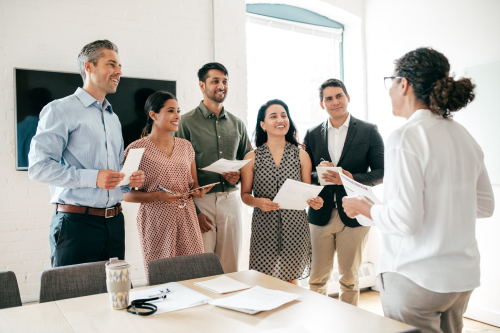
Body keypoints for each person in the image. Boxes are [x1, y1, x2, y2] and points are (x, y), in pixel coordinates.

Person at [342, 47, 495, 333]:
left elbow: (404, 220)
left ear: (404, 84)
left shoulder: (405, 137)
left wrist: (364, 207)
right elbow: (485, 206)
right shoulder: (464, 136)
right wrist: (442, 203)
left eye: (391, 81)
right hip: (461, 280)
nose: (389, 91)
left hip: (416, 279)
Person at [28, 40, 145, 268]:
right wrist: (94, 177)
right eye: (111, 64)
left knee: (114, 298)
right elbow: (38, 167)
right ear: (88, 67)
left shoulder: (113, 117)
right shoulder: (60, 110)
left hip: (114, 223)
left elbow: (112, 175)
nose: (119, 72)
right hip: (76, 225)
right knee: (72, 298)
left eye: (120, 65)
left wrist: (128, 181)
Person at [303, 78, 384, 305]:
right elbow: (305, 175)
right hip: (320, 214)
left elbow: (382, 171)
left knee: (349, 280)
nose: (335, 101)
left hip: (355, 214)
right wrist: (319, 175)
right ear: (322, 104)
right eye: (328, 98)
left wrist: (351, 178)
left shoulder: (369, 131)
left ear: (348, 98)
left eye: (339, 96)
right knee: (316, 280)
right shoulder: (311, 134)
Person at [123, 91, 213, 282]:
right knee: (161, 276)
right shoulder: (136, 149)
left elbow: (193, 185)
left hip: (187, 217)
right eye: (171, 111)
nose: (177, 116)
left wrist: (198, 191)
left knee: (194, 274)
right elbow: (125, 195)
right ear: (153, 115)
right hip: (155, 220)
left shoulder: (186, 146)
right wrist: (157, 196)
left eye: (178, 111)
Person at [175, 62, 251, 273]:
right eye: (215, 81)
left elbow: (248, 162)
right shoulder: (185, 123)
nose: (221, 86)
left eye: (225, 81)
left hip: (231, 202)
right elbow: (179, 171)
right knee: (202, 268)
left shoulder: (238, 124)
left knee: (231, 267)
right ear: (202, 85)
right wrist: (195, 212)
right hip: (202, 202)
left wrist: (239, 177)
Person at [241, 100, 323, 284]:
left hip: (295, 226)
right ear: (262, 125)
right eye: (273, 116)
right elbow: (245, 195)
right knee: (262, 282)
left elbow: (307, 193)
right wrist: (258, 202)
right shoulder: (251, 158)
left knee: (292, 283)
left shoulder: (302, 155)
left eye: (284, 115)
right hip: (264, 226)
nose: (280, 119)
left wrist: (315, 201)